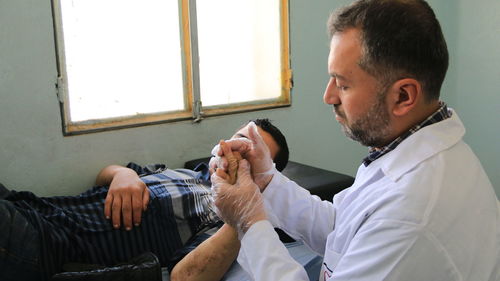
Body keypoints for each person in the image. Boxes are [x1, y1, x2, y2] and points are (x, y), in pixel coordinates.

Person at [210, 1, 500, 281]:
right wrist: (267, 179)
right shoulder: (404, 151)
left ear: (403, 96)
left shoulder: (412, 214)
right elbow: (344, 230)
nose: (328, 96)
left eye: (343, 84)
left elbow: (380, 227)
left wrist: (249, 222)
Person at [0, 118, 289, 281]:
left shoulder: (220, 221)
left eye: (250, 153)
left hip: (42, 245)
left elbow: (185, 277)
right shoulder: (184, 171)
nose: (235, 151)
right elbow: (103, 174)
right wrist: (123, 175)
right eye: (238, 139)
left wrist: (242, 212)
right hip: (30, 206)